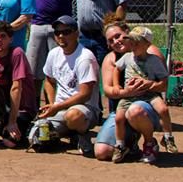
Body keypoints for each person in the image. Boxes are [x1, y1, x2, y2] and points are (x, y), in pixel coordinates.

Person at [94, 16, 166, 162]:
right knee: (102, 152)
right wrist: (125, 92)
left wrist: (148, 85)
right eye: (111, 40)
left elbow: (164, 84)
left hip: (147, 107)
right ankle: (129, 145)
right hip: (121, 111)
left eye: (118, 36)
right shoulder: (111, 59)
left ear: (128, 33)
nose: (116, 41)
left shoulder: (150, 52)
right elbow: (108, 91)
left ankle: (150, 143)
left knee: (135, 110)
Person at [111, 26, 175, 163]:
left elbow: (164, 80)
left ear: (147, 44)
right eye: (131, 42)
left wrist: (150, 84)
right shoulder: (127, 57)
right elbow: (116, 69)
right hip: (129, 95)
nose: (133, 46)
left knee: (163, 109)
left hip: (149, 94)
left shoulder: (154, 60)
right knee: (118, 119)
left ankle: (168, 137)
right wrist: (116, 85)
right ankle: (120, 145)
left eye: (137, 43)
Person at [39, 15, 99, 157]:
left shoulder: (85, 57)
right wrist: (53, 103)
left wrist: (57, 107)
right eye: (57, 32)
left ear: (76, 34)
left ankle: (82, 135)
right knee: (39, 134)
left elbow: (85, 94)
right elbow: (48, 81)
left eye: (66, 32)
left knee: (73, 116)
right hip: (60, 108)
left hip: (85, 109)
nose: (61, 36)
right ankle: (69, 134)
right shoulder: (54, 53)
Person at [0, 21, 37, 148]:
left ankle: (2, 126)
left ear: (11, 39)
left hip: (20, 107)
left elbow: (16, 88)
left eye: (3, 36)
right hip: (1, 105)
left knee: (10, 142)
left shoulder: (17, 53)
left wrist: (12, 122)